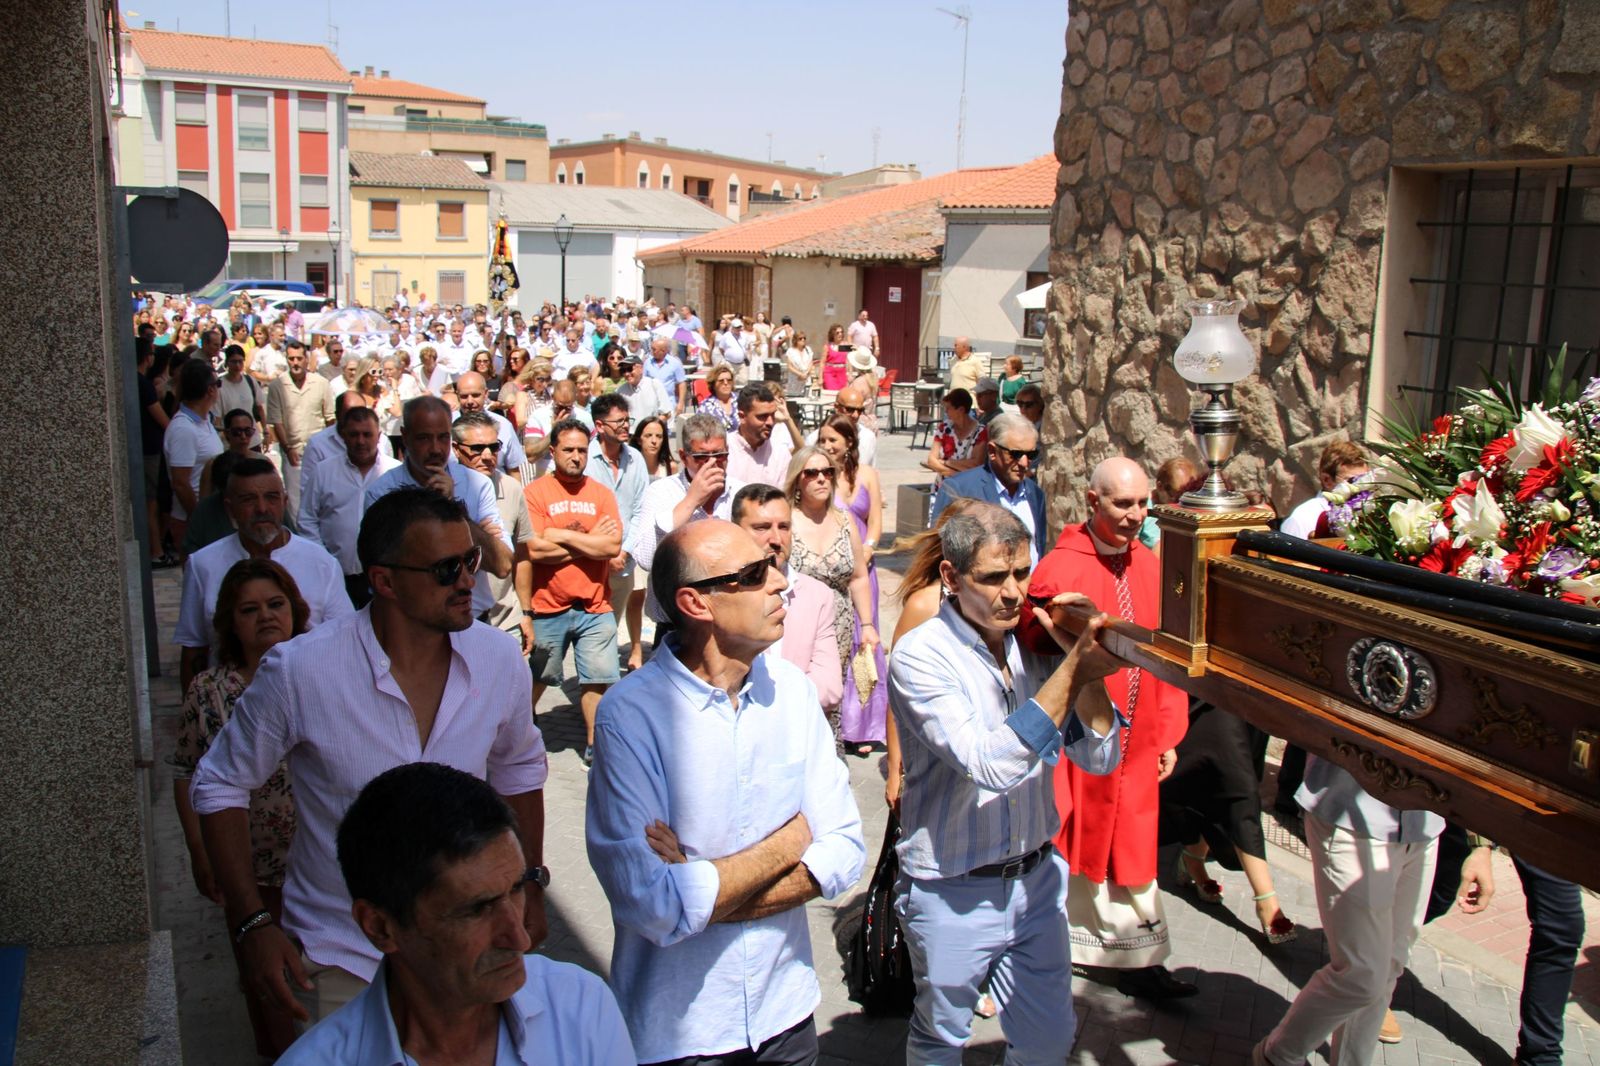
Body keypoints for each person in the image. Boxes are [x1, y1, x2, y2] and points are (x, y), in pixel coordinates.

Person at [191, 489, 550, 1027]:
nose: (466, 581)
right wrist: (252, 922)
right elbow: (218, 783)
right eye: (445, 568)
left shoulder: (499, 658)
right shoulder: (300, 670)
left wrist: (529, 884)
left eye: (470, 560)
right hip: (340, 955)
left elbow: (518, 769)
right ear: (383, 581)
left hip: (469, 953)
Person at [584, 519, 866, 1065]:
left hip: (785, 1013)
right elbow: (651, 903)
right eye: (755, 574)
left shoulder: (792, 693)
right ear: (696, 603)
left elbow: (845, 852)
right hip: (683, 1031)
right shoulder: (630, 717)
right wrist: (790, 842)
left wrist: (700, 880)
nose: (781, 581)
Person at [890, 503, 1127, 1065]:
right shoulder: (921, 656)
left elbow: (1100, 756)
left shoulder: (1034, 645)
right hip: (952, 889)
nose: (1014, 593)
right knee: (940, 1040)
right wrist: (1073, 670)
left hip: (1037, 885)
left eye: (1022, 572)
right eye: (994, 577)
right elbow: (991, 764)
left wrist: (1080, 661)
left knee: (1047, 1041)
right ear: (950, 577)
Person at [277, 763, 633, 1065]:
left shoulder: (582, 1008)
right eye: (477, 910)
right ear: (380, 927)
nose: (519, 938)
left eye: (517, 888)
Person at [1020, 457, 1194, 1001]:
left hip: (1139, 738)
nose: (1135, 514)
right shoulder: (1063, 562)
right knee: (1072, 834)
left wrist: (1167, 734)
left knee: (1134, 839)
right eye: (1123, 503)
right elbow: (1033, 635)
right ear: (1093, 501)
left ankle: (1140, 958)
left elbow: (1169, 656)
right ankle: (1058, 944)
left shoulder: (1153, 562)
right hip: (1081, 736)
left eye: (1142, 503)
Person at [1250, 759, 1471, 1066]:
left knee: (1390, 965)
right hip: (1352, 819)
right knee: (1362, 974)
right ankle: (1278, 1055)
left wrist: (1480, 844)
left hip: (1424, 824)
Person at [173, 558, 305, 1057]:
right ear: (231, 621)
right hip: (251, 871)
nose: (266, 617)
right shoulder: (209, 692)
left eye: (275, 604)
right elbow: (188, 770)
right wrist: (198, 848)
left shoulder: (319, 672)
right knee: (267, 982)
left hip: (319, 864)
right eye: (250, 609)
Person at [174, 457, 352, 691]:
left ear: (284, 501)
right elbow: (194, 650)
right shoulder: (202, 565)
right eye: (249, 500)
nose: (262, 509)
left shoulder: (322, 563)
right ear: (230, 508)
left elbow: (344, 645)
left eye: (271, 497)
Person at [524, 420, 624, 767]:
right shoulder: (535, 493)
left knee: (597, 679)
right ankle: (517, 729)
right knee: (540, 676)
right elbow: (534, 550)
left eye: (582, 450)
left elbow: (611, 545)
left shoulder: (600, 493)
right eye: (568, 449)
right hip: (547, 604)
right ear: (553, 451)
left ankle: (595, 746)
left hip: (595, 605)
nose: (576, 457)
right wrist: (588, 542)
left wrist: (559, 534)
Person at [364, 396, 515, 619]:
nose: (435, 449)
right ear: (405, 437)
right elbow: (389, 568)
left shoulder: (477, 485)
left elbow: (502, 564)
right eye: (424, 438)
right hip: (411, 623)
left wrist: (453, 507)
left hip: (470, 618)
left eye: (442, 438)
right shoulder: (382, 491)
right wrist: (476, 540)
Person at [785, 447, 881, 752]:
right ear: (797, 479)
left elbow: (858, 576)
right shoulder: (785, 521)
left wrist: (866, 624)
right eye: (811, 473)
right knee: (797, 690)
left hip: (838, 625)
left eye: (827, 472)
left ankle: (828, 758)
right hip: (794, 624)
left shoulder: (844, 521)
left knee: (830, 694)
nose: (821, 479)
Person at [814, 417, 888, 753]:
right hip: (833, 568)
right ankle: (835, 717)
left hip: (863, 569)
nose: (828, 446)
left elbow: (875, 523)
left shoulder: (868, 475)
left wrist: (868, 547)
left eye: (833, 440)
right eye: (823, 440)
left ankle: (863, 724)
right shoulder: (819, 477)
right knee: (833, 639)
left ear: (849, 441)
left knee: (863, 640)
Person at [732, 483, 842, 708]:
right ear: (736, 530)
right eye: (762, 527)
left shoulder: (816, 596)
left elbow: (830, 688)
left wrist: (765, 703)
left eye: (784, 527)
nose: (776, 539)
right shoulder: (724, 593)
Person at [631, 415, 746, 623]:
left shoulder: (741, 492)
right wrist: (691, 501)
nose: (712, 464)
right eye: (702, 457)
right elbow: (646, 559)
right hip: (675, 623)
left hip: (728, 620)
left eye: (720, 456)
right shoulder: (662, 492)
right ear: (684, 457)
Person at [298, 406, 401, 609]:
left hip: (385, 577)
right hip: (335, 576)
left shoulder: (395, 472)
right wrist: (324, 560)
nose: (360, 441)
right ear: (343, 436)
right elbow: (307, 519)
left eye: (367, 434)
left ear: (379, 436)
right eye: (354, 434)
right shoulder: (324, 471)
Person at [452, 412, 536, 655]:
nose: (487, 455)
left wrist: (526, 613)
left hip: (505, 618)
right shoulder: (444, 487)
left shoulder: (511, 488)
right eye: (477, 448)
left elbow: (522, 556)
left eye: (494, 447)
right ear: (456, 449)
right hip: (459, 620)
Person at [931, 413, 1048, 563]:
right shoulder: (959, 490)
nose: (1024, 463)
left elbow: (1039, 547)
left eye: (1031, 454)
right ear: (992, 451)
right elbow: (937, 552)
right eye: (1016, 454)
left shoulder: (1035, 493)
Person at [586, 394, 649, 671]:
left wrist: (624, 550)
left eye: (627, 420)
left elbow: (640, 509)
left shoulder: (635, 459)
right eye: (619, 421)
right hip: (590, 561)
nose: (626, 426)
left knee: (611, 624)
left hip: (624, 561)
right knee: (593, 630)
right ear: (600, 426)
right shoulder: (584, 458)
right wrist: (604, 551)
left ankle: (604, 684)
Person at [266, 339, 336, 522]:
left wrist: (331, 449)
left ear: (306, 359)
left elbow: (330, 418)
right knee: (296, 501)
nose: (295, 363)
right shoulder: (276, 386)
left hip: (320, 451)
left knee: (323, 494)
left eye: (299, 358)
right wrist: (288, 448)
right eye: (291, 359)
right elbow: (276, 421)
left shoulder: (321, 383)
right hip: (293, 452)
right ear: (286, 360)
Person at [163, 358, 224, 550]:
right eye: (217, 384)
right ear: (210, 390)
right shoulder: (184, 429)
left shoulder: (204, 421)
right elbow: (181, 483)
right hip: (191, 519)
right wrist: (198, 519)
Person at [1281, 439, 1370, 539]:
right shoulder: (1302, 519)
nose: (1360, 487)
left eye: (1364, 480)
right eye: (1352, 481)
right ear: (1327, 480)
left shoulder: (1370, 512)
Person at [455, 371, 528, 479]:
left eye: (475, 395)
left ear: (486, 394)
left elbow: (514, 470)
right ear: (457, 396)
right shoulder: (445, 424)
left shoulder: (503, 425)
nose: (470, 401)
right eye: (464, 396)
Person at [925, 389, 988, 506]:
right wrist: (958, 473)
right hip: (943, 488)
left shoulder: (980, 431)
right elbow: (931, 461)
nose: (946, 412)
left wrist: (944, 462)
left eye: (948, 408)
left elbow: (976, 464)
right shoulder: (944, 428)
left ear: (961, 410)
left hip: (967, 492)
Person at [726, 382, 794, 487]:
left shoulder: (780, 453)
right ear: (742, 416)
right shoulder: (725, 451)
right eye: (762, 416)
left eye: (772, 415)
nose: (770, 422)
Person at [803, 380, 880, 466]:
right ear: (836, 407)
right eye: (850, 409)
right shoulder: (814, 438)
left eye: (859, 410)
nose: (855, 415)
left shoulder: (868, 437)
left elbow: (870, 470)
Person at [219, 344, 267, 451]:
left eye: (240, 361)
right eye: (234, 362)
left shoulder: (250, 381)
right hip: (231, 444)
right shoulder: (220, 385)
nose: (237, 365)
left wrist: (266, 431)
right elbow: (217, 418)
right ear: (227, 362)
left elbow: (259, 408)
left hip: (252, 441)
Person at [616, 355, 673, 425]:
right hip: (630, 434)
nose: (626, 373)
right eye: (623, 370)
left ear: (641, 368)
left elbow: (667, 413)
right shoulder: (620, 391)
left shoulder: (654, 384)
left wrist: (651, 426)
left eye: (629, 369)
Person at [643, 335, 688, 414]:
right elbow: (643, 381)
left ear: (663, 351)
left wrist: (681, 403)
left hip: (669, 401)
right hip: (651, 401)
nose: (651, 351)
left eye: (654, 349)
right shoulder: (647, 362)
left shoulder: (675, 363)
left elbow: (682, 383)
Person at [697, 364, 739, 433]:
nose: (726, 383)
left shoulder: (741, 401)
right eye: (721, 381)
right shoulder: (705, 406)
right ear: (713, 384)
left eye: (729, 380)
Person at [713, 316, 751, 384]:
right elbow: (721, 348)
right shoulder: (726, 336)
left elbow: (747, 347)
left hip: (742, 363)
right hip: (730, 363)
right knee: (731, 380)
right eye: (736, 327)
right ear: (732, 327)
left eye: (739, 327)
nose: (738, 329)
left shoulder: (744, 336)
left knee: (744, 380)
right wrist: (728, 356)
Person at [782, 328, 813, 398]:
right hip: (795, 378)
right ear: (796, 340)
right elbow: (789, 366)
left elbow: (811, 363)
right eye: (800, 338)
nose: (803, 340)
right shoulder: (791, 351)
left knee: (806, 398)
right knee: (794, 399)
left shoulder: (808, 350)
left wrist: (806, 374)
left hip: (806, 378)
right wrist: (800, 374)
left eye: (804, 338)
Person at [821, 324, 850, 391]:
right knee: (832, 392)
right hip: (830, 373)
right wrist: (820, 378)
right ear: (833, 334)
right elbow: (822, 363)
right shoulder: (827, 346)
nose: (840, 334)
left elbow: (848, 360)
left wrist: (849, 373)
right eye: (837, 333)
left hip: (842, 373)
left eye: (841, 332)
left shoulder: (844, 346)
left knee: (841, 393)